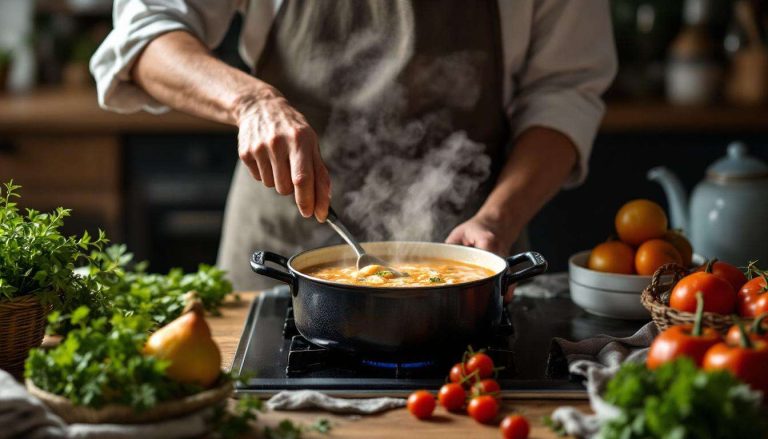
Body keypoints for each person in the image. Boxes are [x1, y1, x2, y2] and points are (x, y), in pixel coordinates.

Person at [91, 0, 616, 291]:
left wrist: (498, 218)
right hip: (279, 241)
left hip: (473, 253)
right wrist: (250, 103)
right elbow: (145, 37)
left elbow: (564, 91)